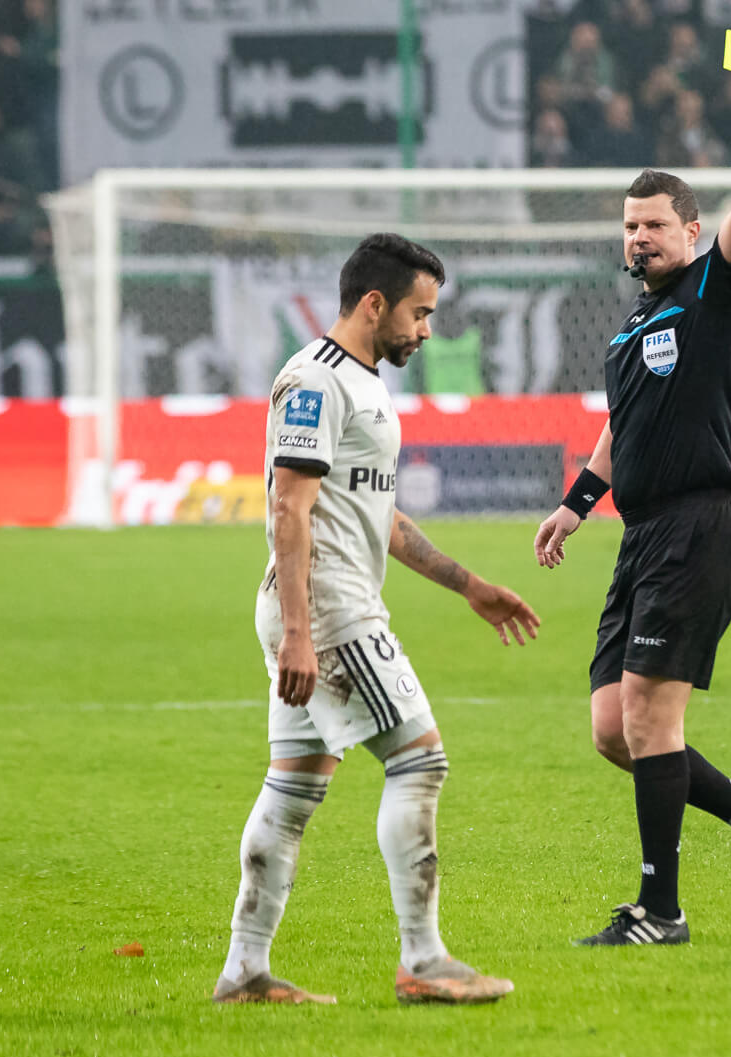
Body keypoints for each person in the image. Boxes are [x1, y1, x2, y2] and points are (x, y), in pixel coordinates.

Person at [533, 63, 731, 947]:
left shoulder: (712, 289)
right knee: (613, 730)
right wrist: (577, 503)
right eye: (630, 226)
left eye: (655, 224)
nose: (640, 238)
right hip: (642, 537)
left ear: (691, 232)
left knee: (651, 721)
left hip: (698, 528)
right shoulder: (630, 327)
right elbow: (619, 430)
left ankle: (660, 912)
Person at [220, 233, 543, 1006]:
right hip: (328, 609)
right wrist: (302, 632)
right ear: (374, 304)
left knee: (292, 790)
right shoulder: (315, 382)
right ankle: (423, 962)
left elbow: (380, 518)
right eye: (418, 313)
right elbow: (289, 509)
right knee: (420, 762)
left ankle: (245, 972)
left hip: (324, 608)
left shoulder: (362, 384)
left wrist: (468, 585)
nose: (425, 330)